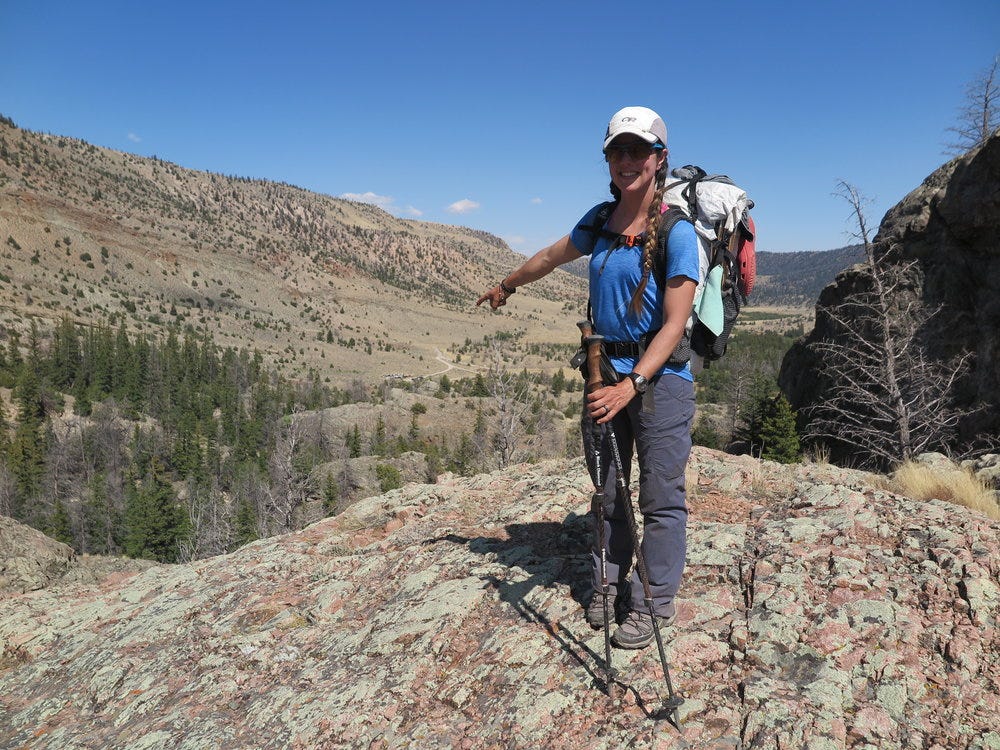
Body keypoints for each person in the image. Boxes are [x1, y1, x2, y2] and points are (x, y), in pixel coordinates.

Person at [477, 106, 698, 649]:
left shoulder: (676, 231)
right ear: (608, 158)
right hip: (601, 377)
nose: (626, 160)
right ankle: (607, 580)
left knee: (660, 497)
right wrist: (508, 284)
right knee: (607, 491)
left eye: (637, 151)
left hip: (657, 383)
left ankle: (653, 599)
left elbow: (674, 324)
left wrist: (634, 384)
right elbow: (553, 255)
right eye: (617, 151)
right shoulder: (601, 220)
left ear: (658, 159)